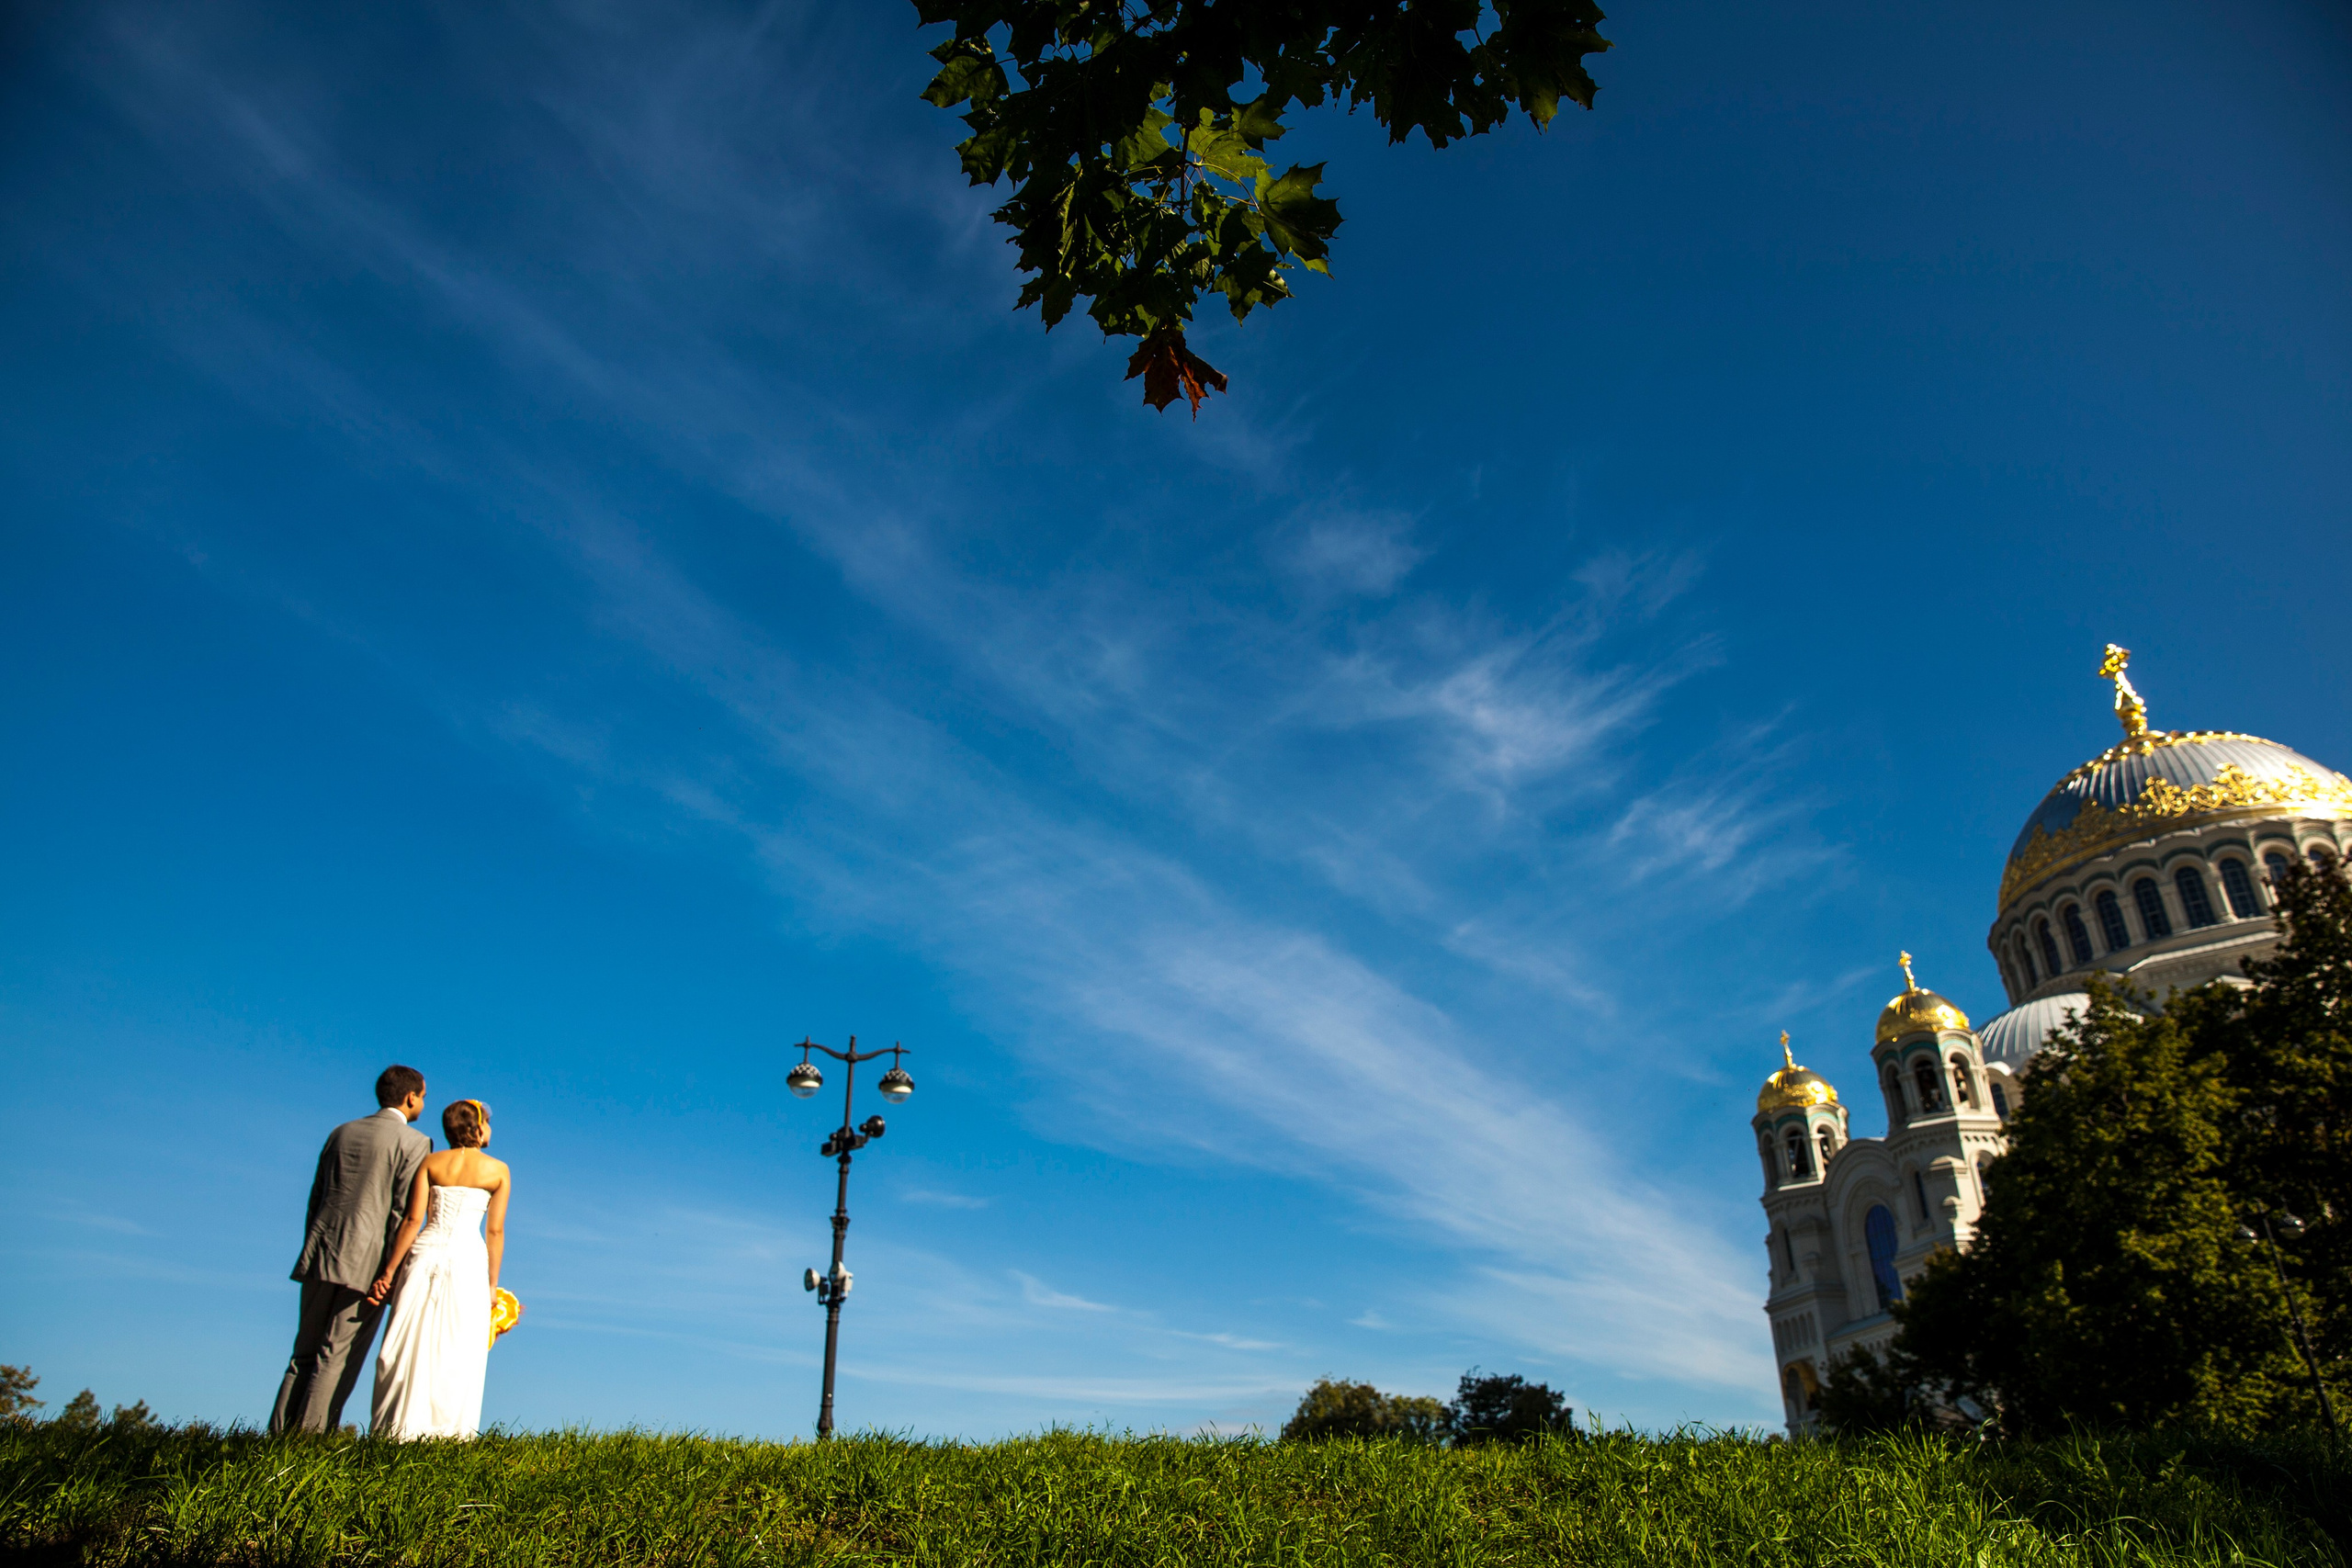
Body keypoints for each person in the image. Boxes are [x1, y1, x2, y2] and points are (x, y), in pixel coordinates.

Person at [269, 1066, 434, 1435]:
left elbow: (317, 1196)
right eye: (423, 1096)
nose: (422, 1102)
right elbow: (403, 1213)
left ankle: (277, 1436)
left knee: (303, 1353)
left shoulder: (340, 1132)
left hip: (320, 1251)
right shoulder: (415, 1143)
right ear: (411, 1097)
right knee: (337, 1356)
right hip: (369, 1264)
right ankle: (309, 1443)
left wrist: (314, 1243)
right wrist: (390, 1270)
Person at [368, 1098, 514, 1439]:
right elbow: (495, 1231)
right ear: (477, 1128)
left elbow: (413, 1219)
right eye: (488, 1123)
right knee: (458, 1343)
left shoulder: (430, 1162)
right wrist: (492, 1287)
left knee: (410, 1337)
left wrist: (389, 1271)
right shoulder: (498, 1170)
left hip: (425, 1252)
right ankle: (446, 1433)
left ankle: (395, 1429)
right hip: (467, 1258)